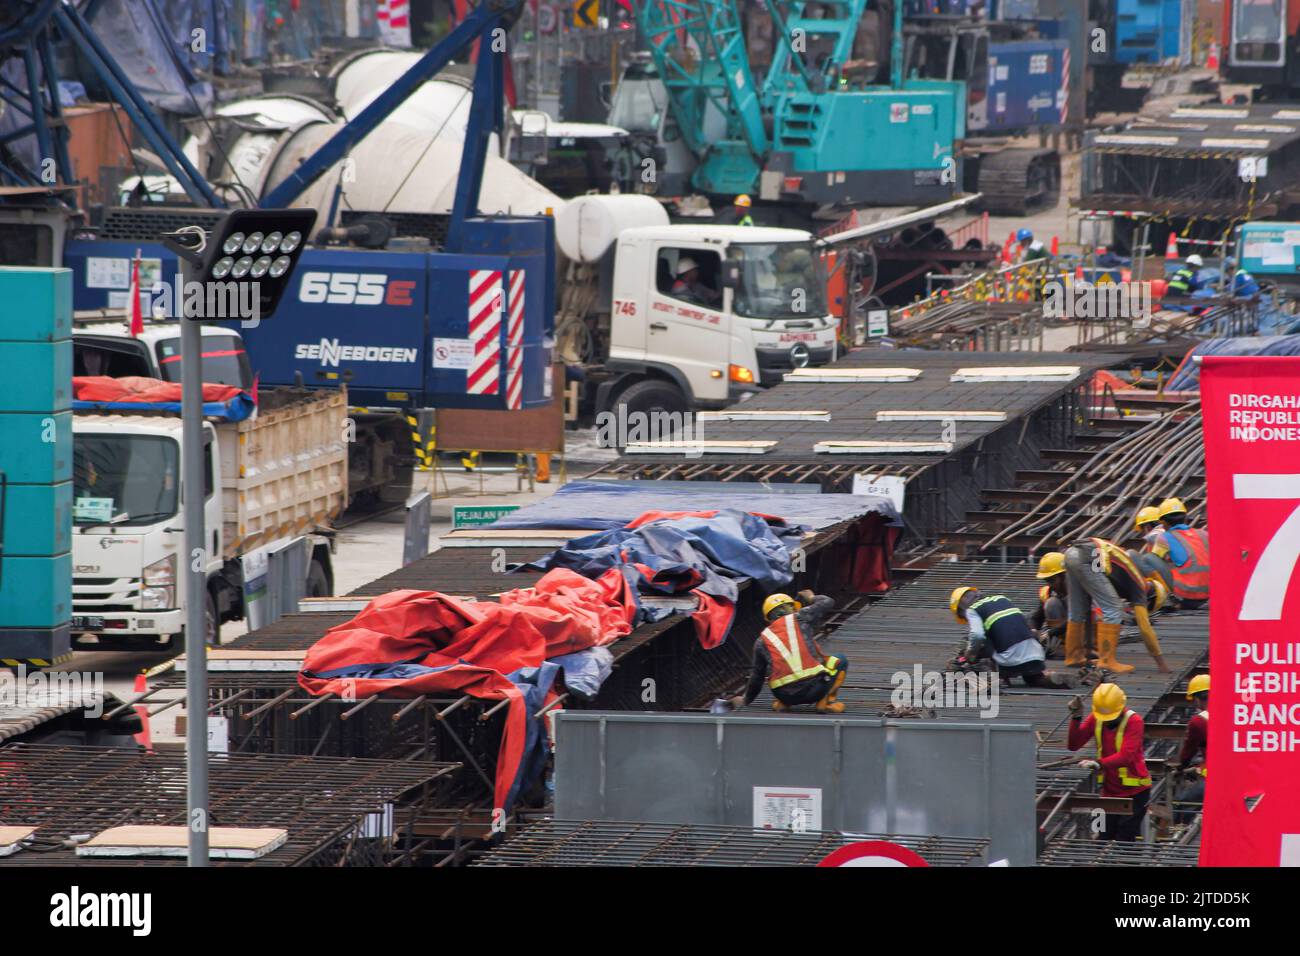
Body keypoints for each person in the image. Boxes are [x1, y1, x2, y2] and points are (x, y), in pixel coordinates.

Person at [1054, 539, 1171, 673]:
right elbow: (1145, 628)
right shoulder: (1141, 588)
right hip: (1091, 555)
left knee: (1078, 609)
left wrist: (1088, 650)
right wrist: (1160, 662)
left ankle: (1074, 657)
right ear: (1151, 598)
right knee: (1114, 608)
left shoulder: (1131, 576)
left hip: (1072, 553)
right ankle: (1107, 661)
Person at [731, 590, 847, 713]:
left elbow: (757, 677)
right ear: (789, 607)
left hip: (784, 695)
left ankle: (784, 704)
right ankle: (825, 702)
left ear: (769, 617)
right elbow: (827, 602)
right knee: (840, 659)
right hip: (815, 690)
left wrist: (745, 700)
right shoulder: (800, 617)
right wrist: (811, 597)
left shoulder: (762, 640)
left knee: (783, 675)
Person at [1067, 682, 1152, 841]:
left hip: (1135, 793)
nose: (1107, 722)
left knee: (1124, 839)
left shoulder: (1134, 722)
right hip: (1107, 792)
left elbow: (1127, 756)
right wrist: (1076, 717)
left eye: (1110, 718)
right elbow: (1074, 745)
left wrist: (1099, 763)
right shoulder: (1097, 718)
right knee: (1101, 836)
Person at [949, 586, 1072, 687]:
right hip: (1035, 655)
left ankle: (997, 677)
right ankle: (1048, 678)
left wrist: (969, 654)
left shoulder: (972, 610)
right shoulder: (1002, 598)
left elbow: (977, 635)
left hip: (1009, 661)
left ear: (961, 610)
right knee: (1033, 680)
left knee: (976, 640)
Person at [1147, 497, 1209, 609]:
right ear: (1185, 518)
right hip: (1211, 593)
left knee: (1148, 558)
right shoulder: (1204, 534)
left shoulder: (1164, 538)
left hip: (1186, 595)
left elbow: (1155, 561)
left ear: (1164, 523)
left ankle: (1160, 598)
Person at [1171, 673, 1209, 822]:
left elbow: (1188, 751)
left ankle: (1180, 828)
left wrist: (1180, 767)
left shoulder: (1199, 721)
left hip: (1215, 778)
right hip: (1240, 775)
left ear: (1198, 698)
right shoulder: (1232, 710)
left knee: (1182, 803)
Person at [1028, 552, 1068, 656]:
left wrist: (1049, 633)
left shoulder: (1079, 593)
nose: (1049, 584)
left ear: (1063, 576)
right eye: (1047, 580)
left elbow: (1075, 619)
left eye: (1051, 580)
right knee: (1051, 602)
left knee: (1052, 603)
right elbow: (1036, 618)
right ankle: (1061, 645)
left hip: (1087, 639)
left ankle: (1068, 646)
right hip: (1060, 634)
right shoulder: (1049, 592)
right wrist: (1033, 630)